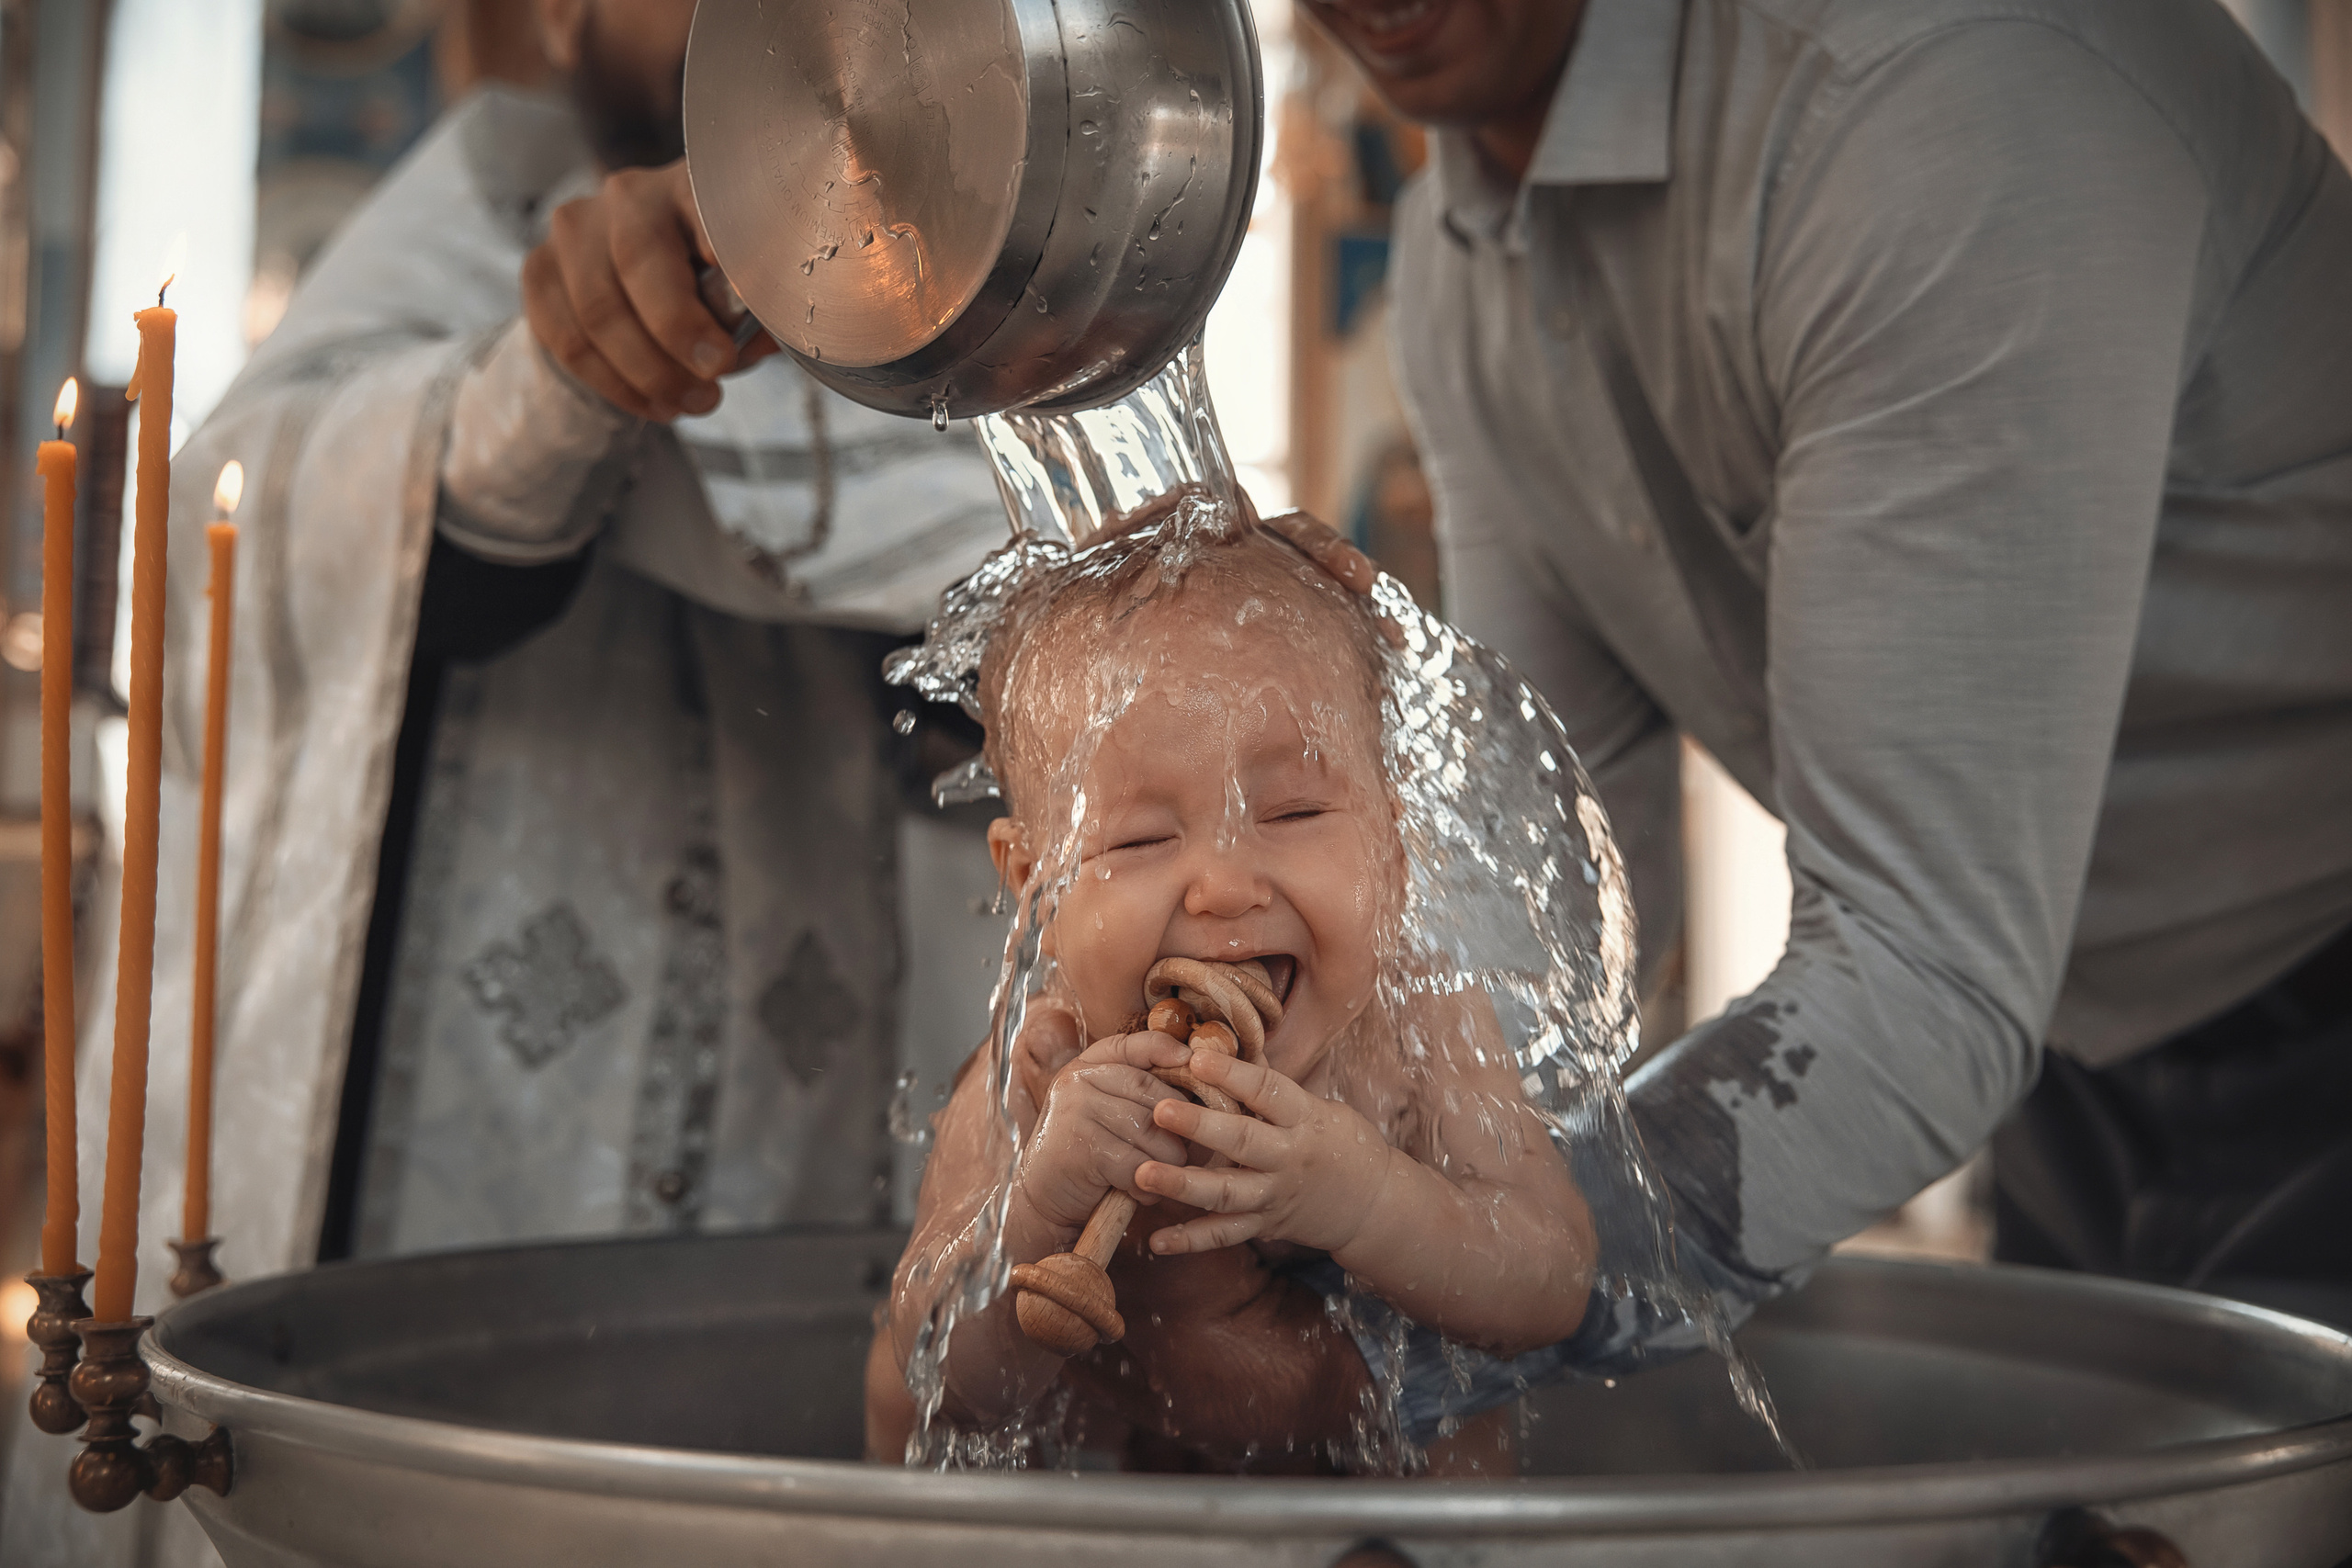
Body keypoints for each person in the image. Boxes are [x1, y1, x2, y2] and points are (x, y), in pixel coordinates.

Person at [6, 2, 1012, 1556]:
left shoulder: (935, 285)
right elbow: (273, 535)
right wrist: (554, 381)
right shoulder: (464, 221)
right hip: (420, 1259)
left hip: (784, 1225)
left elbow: (980, 703)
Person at [1279, 0, 2352, 1436]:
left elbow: (1920, 959)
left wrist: (1448, 1277)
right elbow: (1555, 882)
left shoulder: (1942, 93)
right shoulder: (1455, 263)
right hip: (2074, 1047)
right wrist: (1324, 1157)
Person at [878, 525, 1589, 1472]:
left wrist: (1364, 1200)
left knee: (1455, 1444)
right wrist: (1037, 1204)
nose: (1224, 886)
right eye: (1135, 841)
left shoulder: (1418, 1027)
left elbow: (1551, 1285)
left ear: (1392, 840)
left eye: (1294, 812)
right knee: (888, 1389)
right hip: (1120, 1529)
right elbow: (949, 1379)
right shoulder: (1039, 1066)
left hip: (1370, 1524)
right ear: (1035, 886)